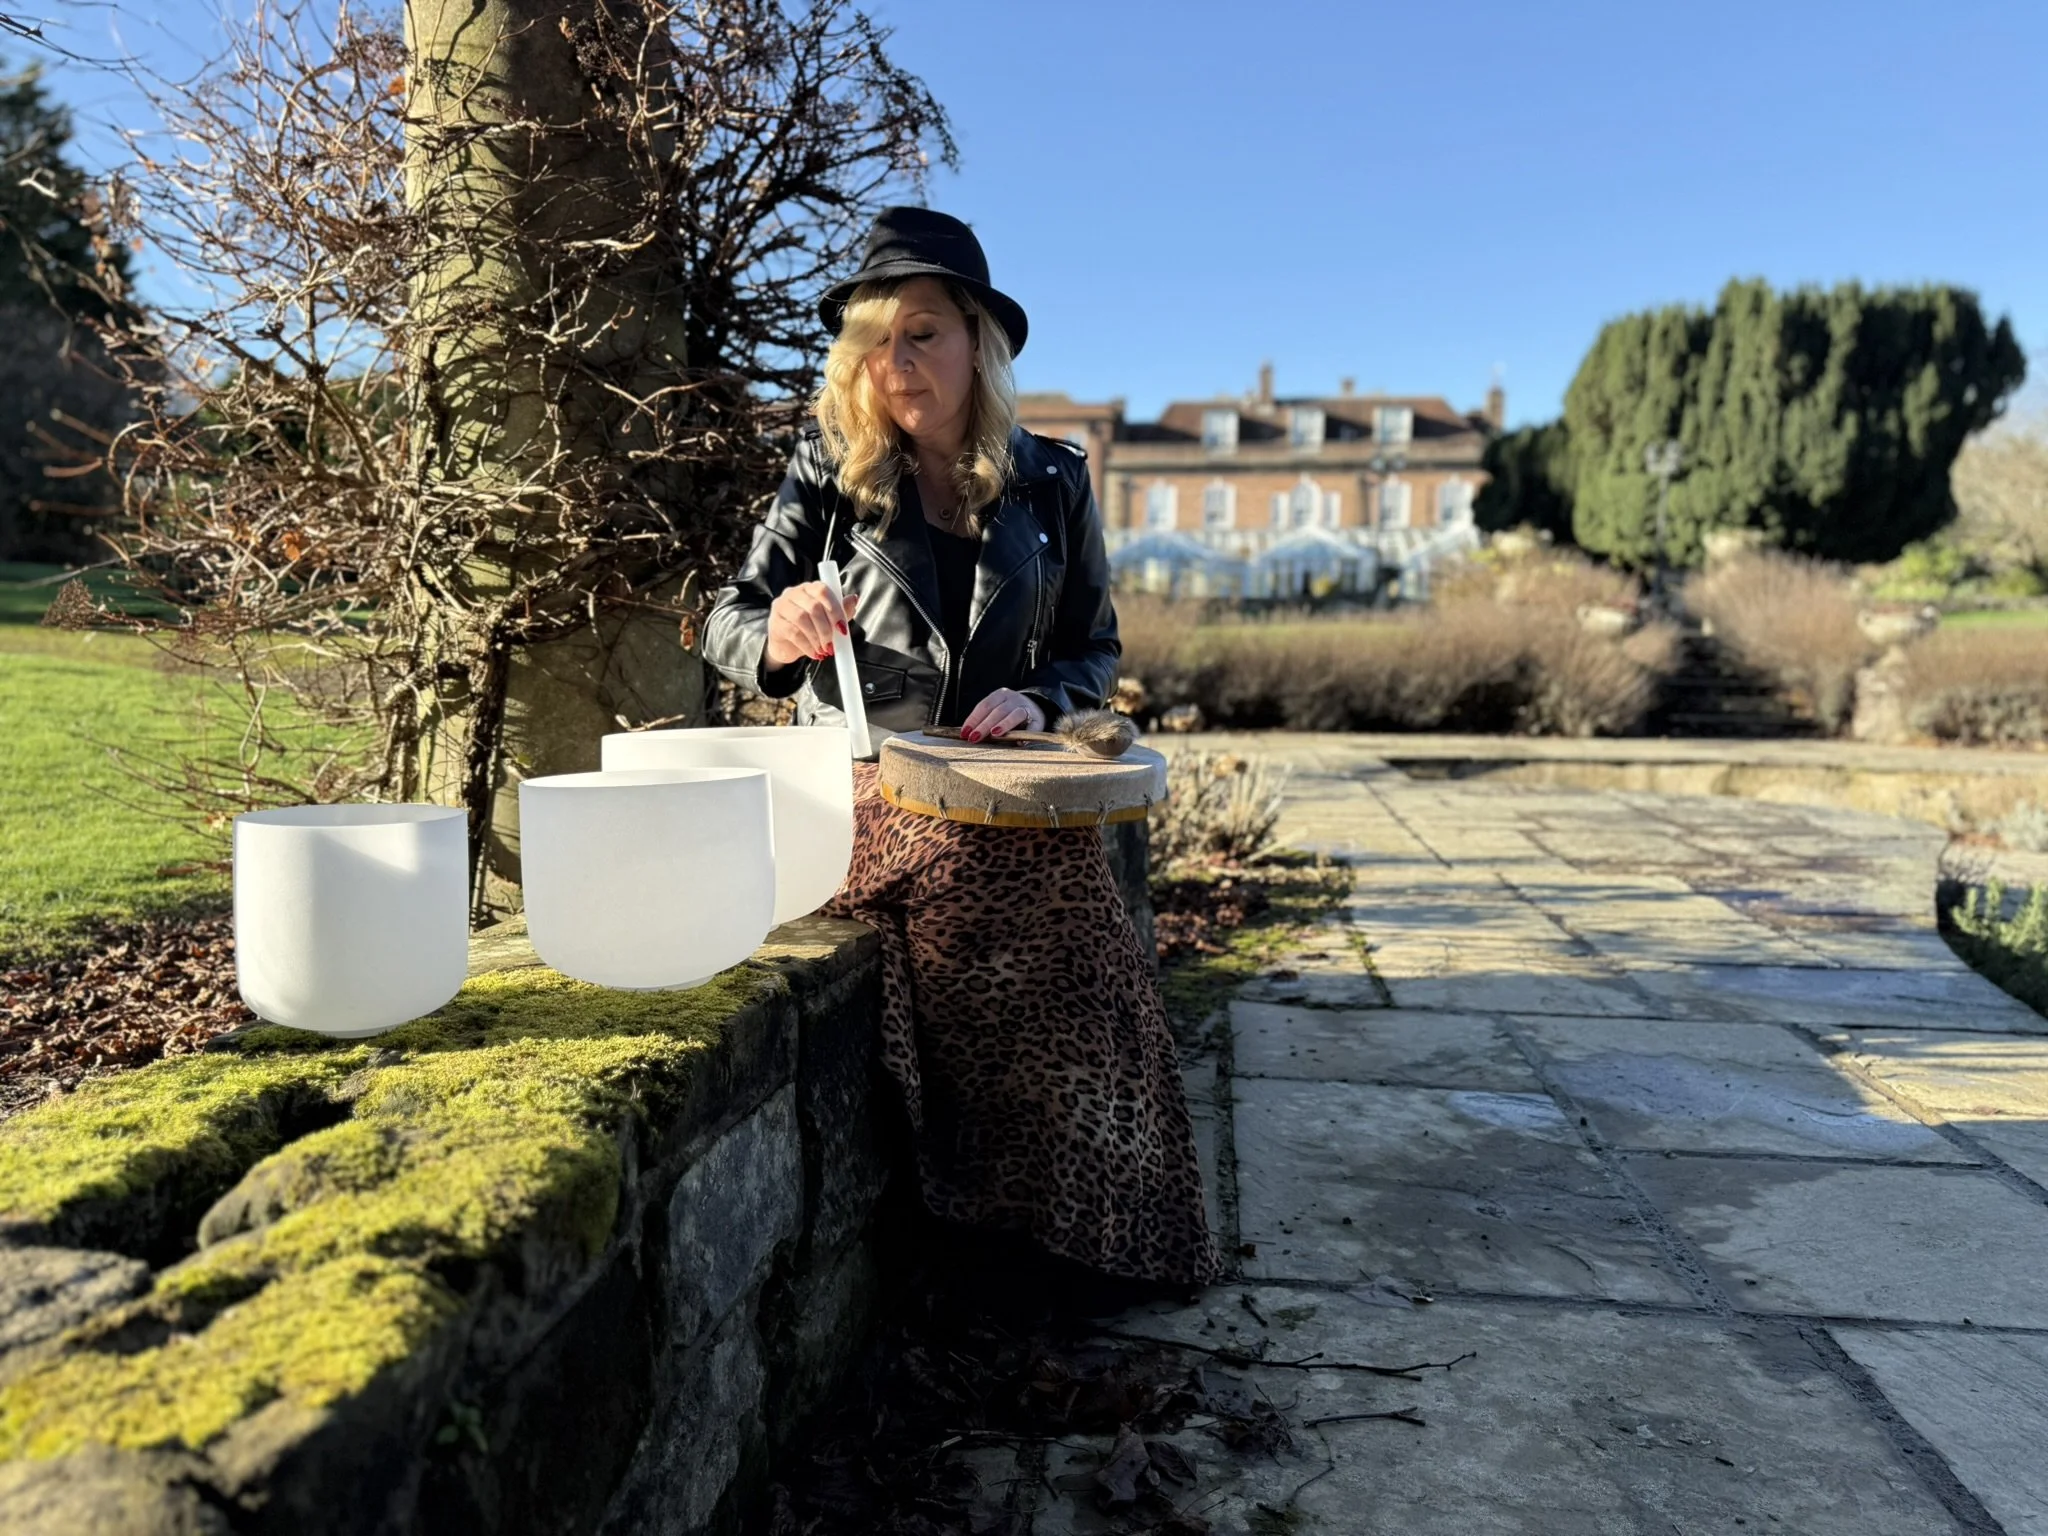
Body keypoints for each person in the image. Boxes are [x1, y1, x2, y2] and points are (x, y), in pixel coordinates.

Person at [701, 207, 1220, 1289]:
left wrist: (1039, 700)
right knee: (984, 866)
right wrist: (782, 633)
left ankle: (1107, 1215)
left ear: (979, 342)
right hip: (854, 785)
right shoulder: (826, 469)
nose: (895, 362)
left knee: (1069, 890)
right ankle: (1004, 1218)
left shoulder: (1053, 481)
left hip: (997, 785)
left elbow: (1093, 649)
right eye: (875, 339)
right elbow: (728, 619)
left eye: (923, 333)